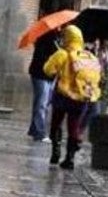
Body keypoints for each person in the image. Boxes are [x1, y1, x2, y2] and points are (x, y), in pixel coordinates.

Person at [43, 25, 102, 170]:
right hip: (81, 97)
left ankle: (56, 152)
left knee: (56, 123)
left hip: (63, 96)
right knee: (74, 126)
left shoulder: (62, 54)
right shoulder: (89, 56)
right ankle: (69, 158)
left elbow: (47, 70)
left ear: (67, 38)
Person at [27, 31, 58, 142]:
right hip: (41, 74)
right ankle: (39, 133)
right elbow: (42, 58)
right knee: (42, 104)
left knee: (42, 103)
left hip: (48, 76)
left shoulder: (56, 38)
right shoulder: (47, 37)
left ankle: (34, 130)